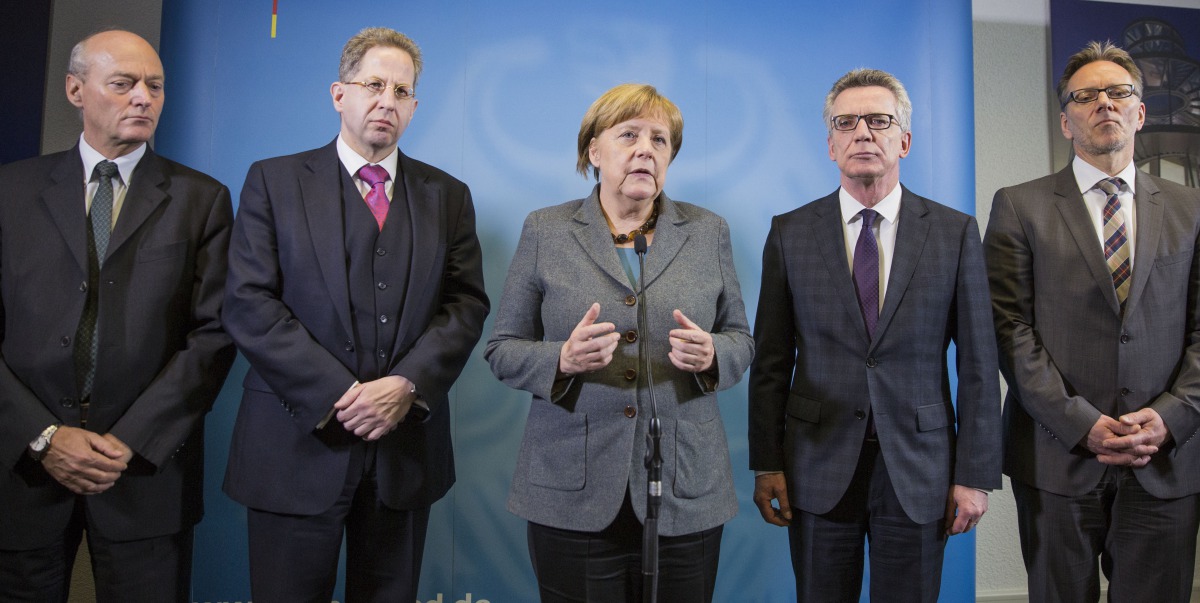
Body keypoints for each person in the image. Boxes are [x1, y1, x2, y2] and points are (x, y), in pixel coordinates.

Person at [222, 27, 489, 602]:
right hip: (293, 448)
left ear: (414, 107)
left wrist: (406, 384)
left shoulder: (449, 196)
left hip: (404, 455)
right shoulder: (273, 181)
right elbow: (248, 301)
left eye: (401, 91)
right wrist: (340, 393)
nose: (386, 102)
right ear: (338, 94)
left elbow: (466, 304)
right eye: (373, 85)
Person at [485, 83, 753, 602]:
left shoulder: (708, 232)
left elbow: (741, 338)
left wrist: (714, 354)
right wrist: (560, 358)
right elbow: (503, 348)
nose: (645, 150)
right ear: (594, 150)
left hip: (684, 488)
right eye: (628, 134)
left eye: (660, 139)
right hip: (572, 487)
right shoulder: (547, 230)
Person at [748, 68, 1001, 602]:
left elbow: (979, 363)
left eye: (879, 120)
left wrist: (975, 474)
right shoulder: (790, 232)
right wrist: (767, 462)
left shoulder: (954, 232)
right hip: (815, 464)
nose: (863, 132)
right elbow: (771, 359)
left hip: (919, 468)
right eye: (847, 122)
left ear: (904, 140)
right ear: (831, 144)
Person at [0, 29, 235, 602]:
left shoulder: (201, 198)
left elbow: (214, 335)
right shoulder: (10, 190)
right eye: (124, 83)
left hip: (145, 476)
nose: (143, 98)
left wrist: (130, 440)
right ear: (75, 89)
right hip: (23, 474)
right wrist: (43, 435)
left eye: (155, 86)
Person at [985, 40, 1200, 602]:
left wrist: (1172, 416)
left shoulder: (1191, 209)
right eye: (1086, 96)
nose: (1104, 103)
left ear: (1140, 111)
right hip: (1058, 456)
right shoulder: (1018, 206)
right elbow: (1010, 330)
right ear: (1065, 120)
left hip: (1166, 457)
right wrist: (1081, 422)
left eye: (1118, 92)